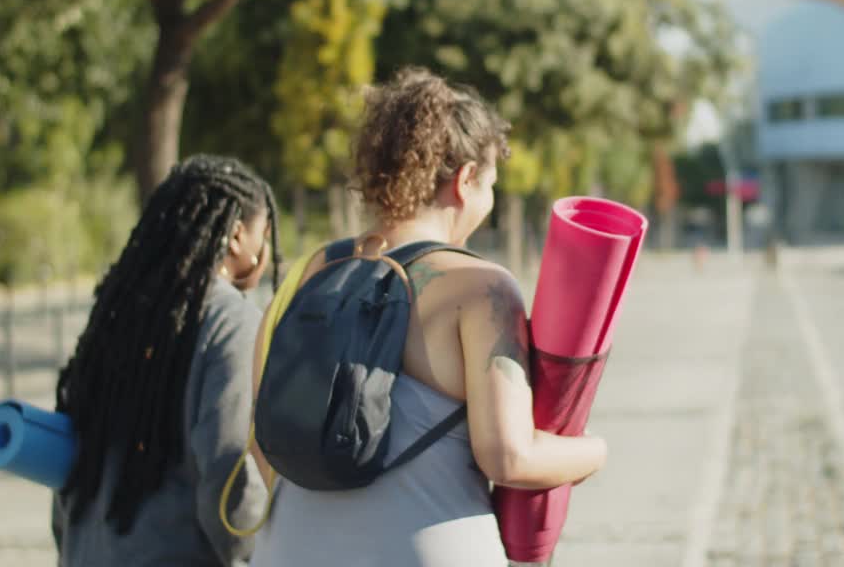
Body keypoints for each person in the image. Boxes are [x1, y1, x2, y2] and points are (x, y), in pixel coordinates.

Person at [248, 68, 608, 567]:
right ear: (464, 182)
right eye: (490, 185)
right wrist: (593, 452)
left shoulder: (307, 276)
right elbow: (508, 456)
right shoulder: (480, 289)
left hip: (286, 549)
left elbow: (263, 438)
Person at [52, 154, 281, 566]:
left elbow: (71, 458)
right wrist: (254, 554)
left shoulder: (115, 314)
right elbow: (229, 473)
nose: (266, 253)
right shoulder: (230, 320)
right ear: (234, 236)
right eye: (263, 235)